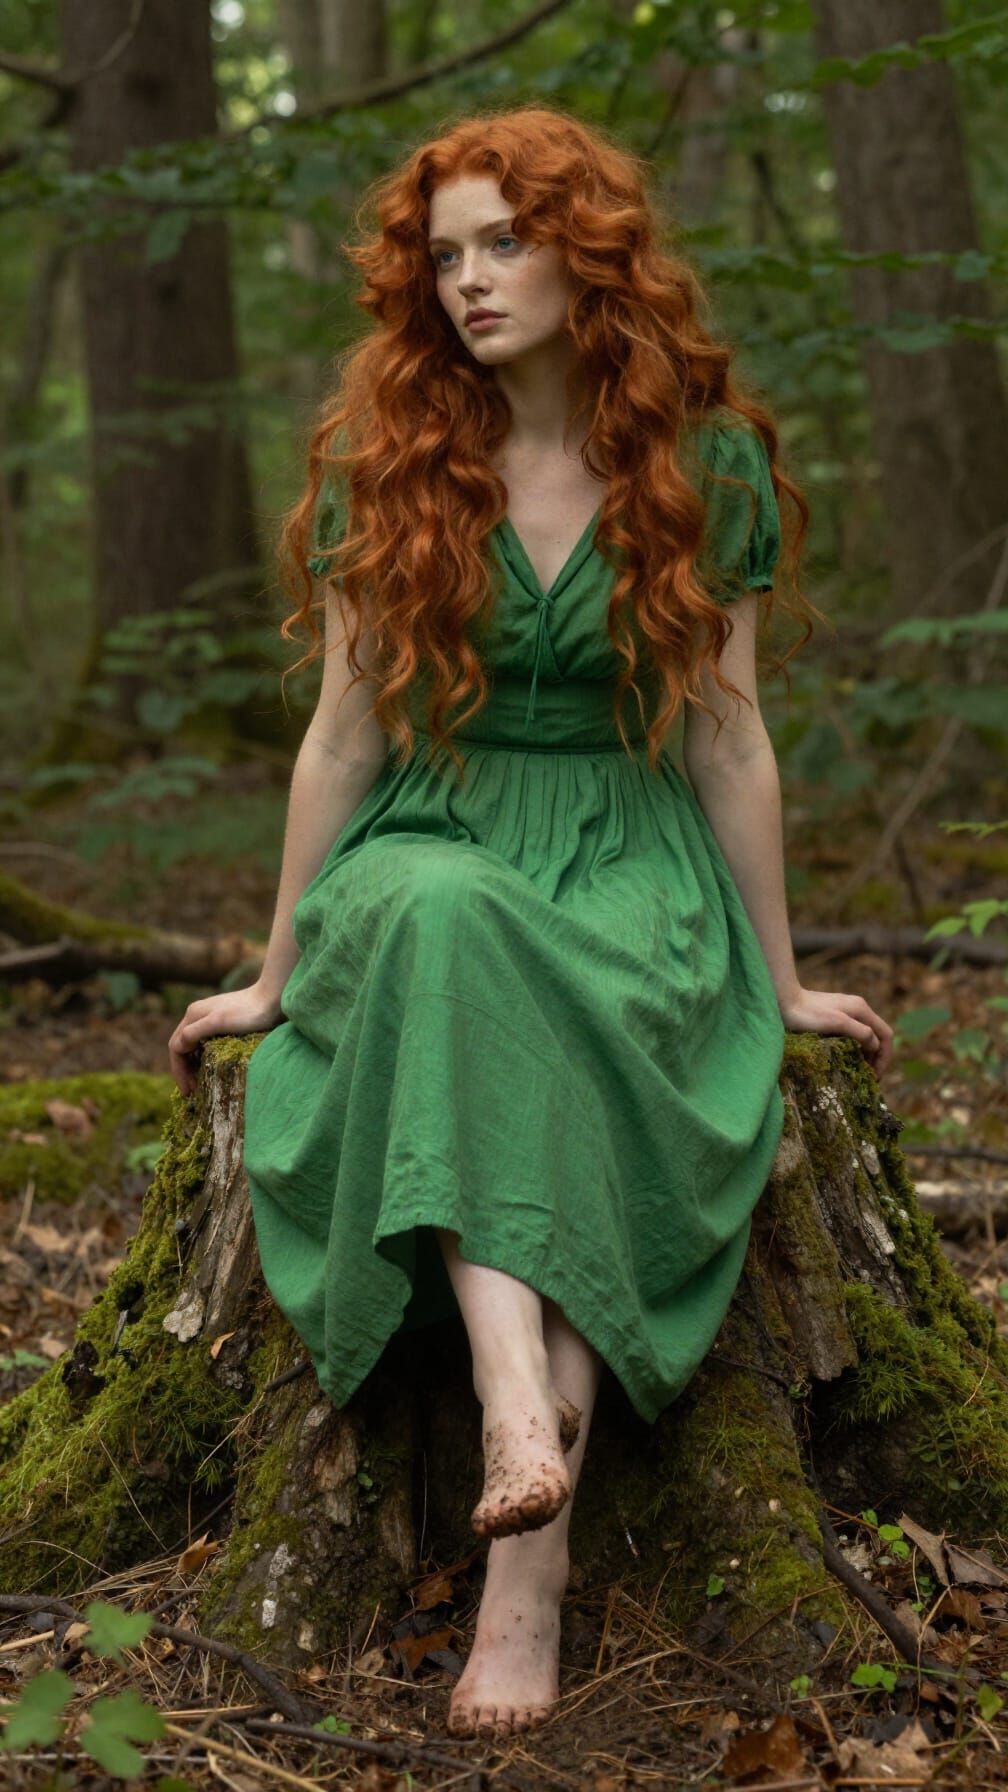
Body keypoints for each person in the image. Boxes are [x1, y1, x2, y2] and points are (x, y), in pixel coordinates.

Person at [168, 104, 893, 1742]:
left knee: (523, 1003)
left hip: (631, 861)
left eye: (507, 241)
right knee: (439, 917)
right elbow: (347, 737)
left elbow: (728, 735)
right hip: (434, 834)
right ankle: (521, 1415)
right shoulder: (398, 456)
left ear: (589, 249)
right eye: (445, 254)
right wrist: (279, 971)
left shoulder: (699, 461)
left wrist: (778, 982)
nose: (472, 280)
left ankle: (523, 1571)